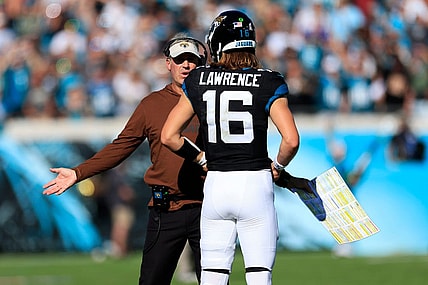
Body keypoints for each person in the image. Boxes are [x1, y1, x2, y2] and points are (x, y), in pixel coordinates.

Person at [43, 33, 207, 285]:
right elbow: (121, 146)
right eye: (180, 59)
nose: (186, 65)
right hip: (166, 208)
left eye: (192, 60)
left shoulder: (214, 100)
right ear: (168, 63)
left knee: (215, 281)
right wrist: (78, 172)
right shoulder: (152, 104)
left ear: (202, 63)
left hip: (208, 207)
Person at [161, 10, 311, 285]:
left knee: (212, 277)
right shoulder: (269, 81)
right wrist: (277, 167)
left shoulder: (198, 80)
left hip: (217, 185)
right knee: (258, 276)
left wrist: (202, 158)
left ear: (217, 43)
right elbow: (291, 140)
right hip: (255, 184)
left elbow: (169, 135)